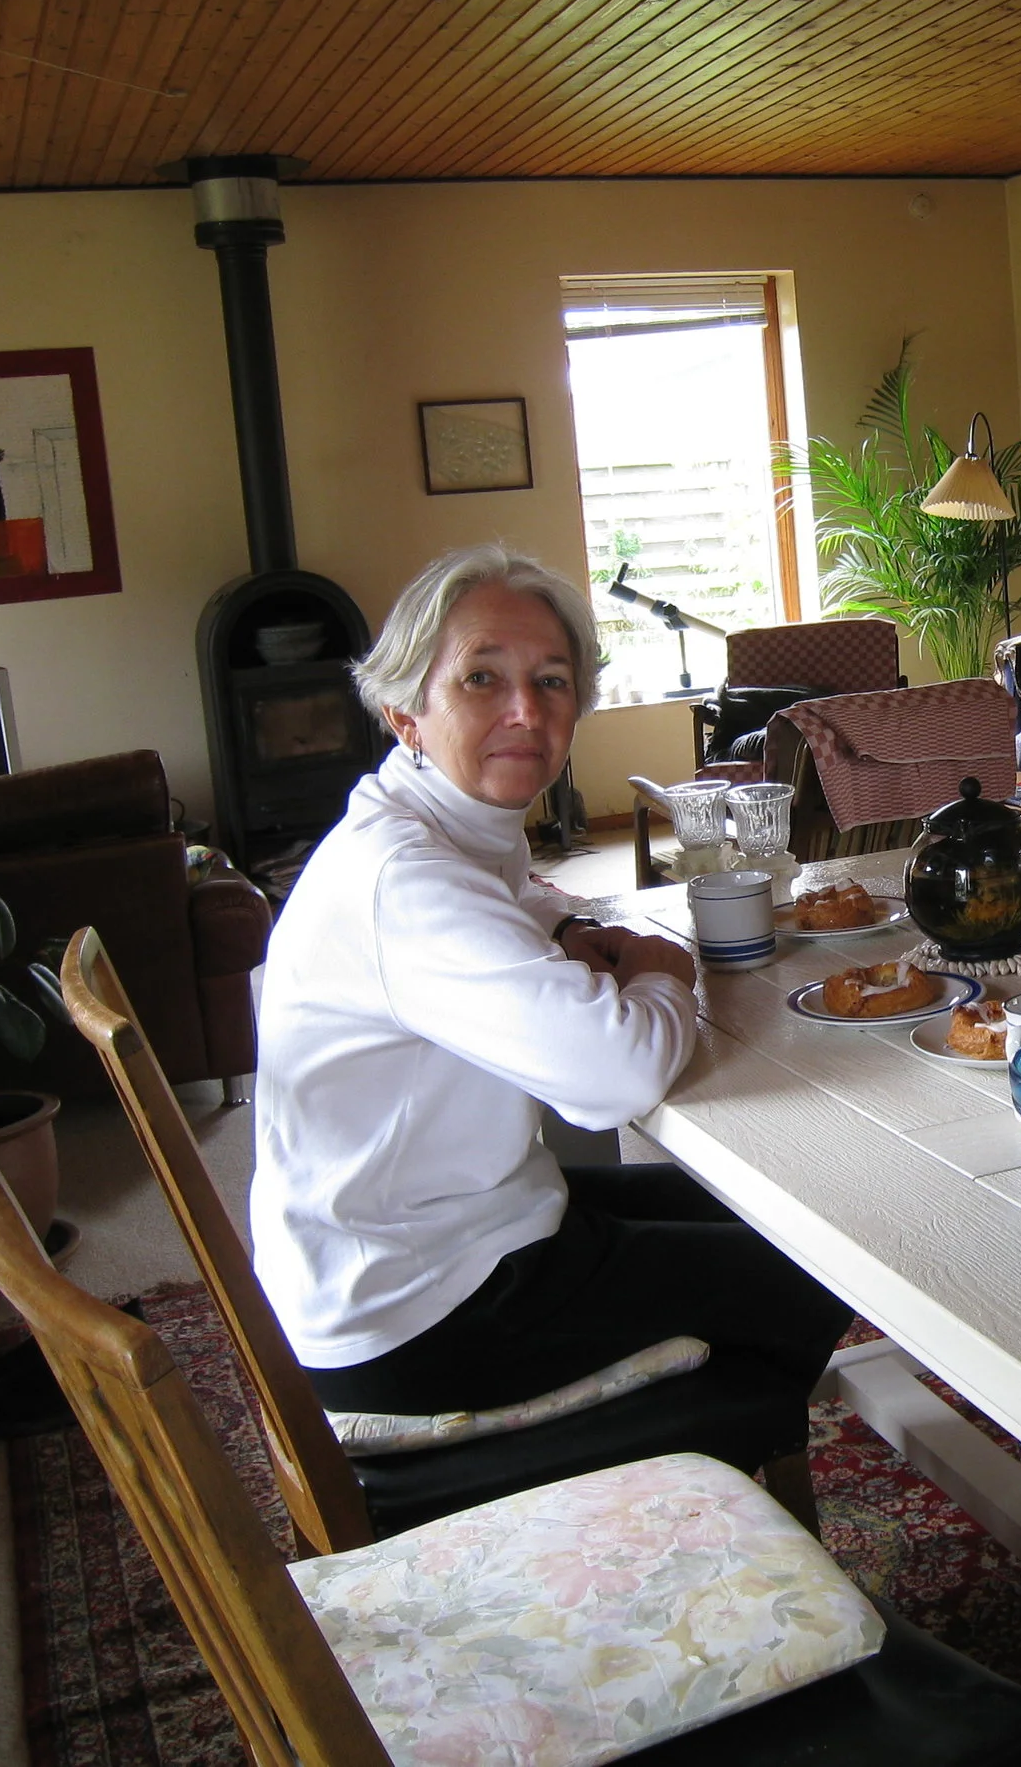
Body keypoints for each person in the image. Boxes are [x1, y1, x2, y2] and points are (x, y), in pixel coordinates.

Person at [253, 541, 851, 1453]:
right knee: (812, 1272)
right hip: (417, 1313)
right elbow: (611, 1079)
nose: (526, 711)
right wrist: (662, 968)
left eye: (553, 680)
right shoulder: (403, 880)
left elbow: (517, 895)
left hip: (429, 1230)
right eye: (482, 679)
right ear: (404, 708)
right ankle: (698, 1468)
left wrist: (566, 933)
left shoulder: (432, 824)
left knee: (791, 1215)